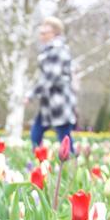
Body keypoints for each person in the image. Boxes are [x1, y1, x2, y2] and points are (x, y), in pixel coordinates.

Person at [27, 17, 75, 149]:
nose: (41, 36)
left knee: (64, 135)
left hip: (58, 101)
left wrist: (31, 94)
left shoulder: (57, 50)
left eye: (44, 33)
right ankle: (38, 162)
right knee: (36, 134)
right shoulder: (50, 50)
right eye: (40, 33)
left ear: (54, 33)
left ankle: (71, 163)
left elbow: (50, 78)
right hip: (48, 102)